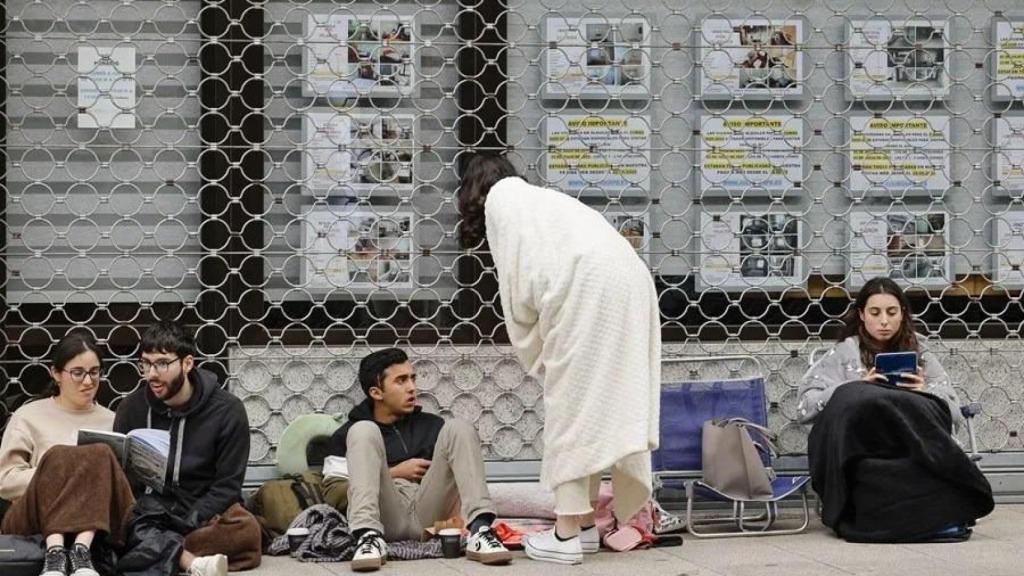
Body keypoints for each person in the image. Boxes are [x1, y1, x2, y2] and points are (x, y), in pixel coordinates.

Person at [458, 154, 660, 565]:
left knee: (571, 404)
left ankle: (566, 534)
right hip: (631, 282)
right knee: (600, 402)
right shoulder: (545, 199)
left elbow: (518, 287)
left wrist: (533, 342)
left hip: (586, 287)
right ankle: (584, 524)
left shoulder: (502, 205)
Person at [799, 276, 993, 542]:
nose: (884, 321)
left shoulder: (921, 354)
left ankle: (935, 521)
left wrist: (924, 390)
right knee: (857, 397)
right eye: (875, 313)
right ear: (861, 315)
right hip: (862, 449)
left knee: (914, 441)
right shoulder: (844, 354)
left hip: (914, 448)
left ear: (903, 314)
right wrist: (856, 386)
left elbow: (953, 414)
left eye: (892, 312)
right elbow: (806, 407)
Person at [327, 348, 511, 572]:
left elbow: (458, 479)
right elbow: (332, 494)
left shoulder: (432, 426)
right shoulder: (348, 435)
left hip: (430, 515)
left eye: (413, 378)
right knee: (363, 430)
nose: (412, 388)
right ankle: (368, 538)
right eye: (401, 381)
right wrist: (394, 472)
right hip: (385, 517)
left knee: (458, 427)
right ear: (376, 392)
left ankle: (481, 531)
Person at [113, 321, 260, 576]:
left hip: (200, 513)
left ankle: (149, 549)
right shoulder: (131, 408)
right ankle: (184, 558)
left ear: (187, 363)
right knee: (117, 523)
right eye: (145, 363)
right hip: (147, 512)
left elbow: (227, 487)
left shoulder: (227, 410)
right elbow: (121, 481)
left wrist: (189, 520)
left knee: (245, 530)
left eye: (161, 363)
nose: (151, 374)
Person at [0, 332, 135, 576]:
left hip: (97, 527)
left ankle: (79, 552)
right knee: (62, 456)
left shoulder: (113, 421)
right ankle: (56, 552)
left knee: (99, 453)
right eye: (78, 372)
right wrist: (58, 474)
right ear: (56, 374)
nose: (88, 381)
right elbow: (5, 481)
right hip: (33, 523)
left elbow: (119, 487)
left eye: (94, 372)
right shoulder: (28, 415)